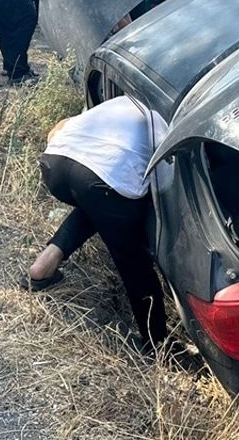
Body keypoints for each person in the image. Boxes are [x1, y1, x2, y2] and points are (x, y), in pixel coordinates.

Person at [25, 97, 169, 352]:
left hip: (55, 164)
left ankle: (43, 264)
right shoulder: (164, 121)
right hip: (100, 180)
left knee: (99, 205)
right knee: (133, 262)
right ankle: (157, 342)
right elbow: (168, 183)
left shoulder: (125, 101)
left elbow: (61, 127)